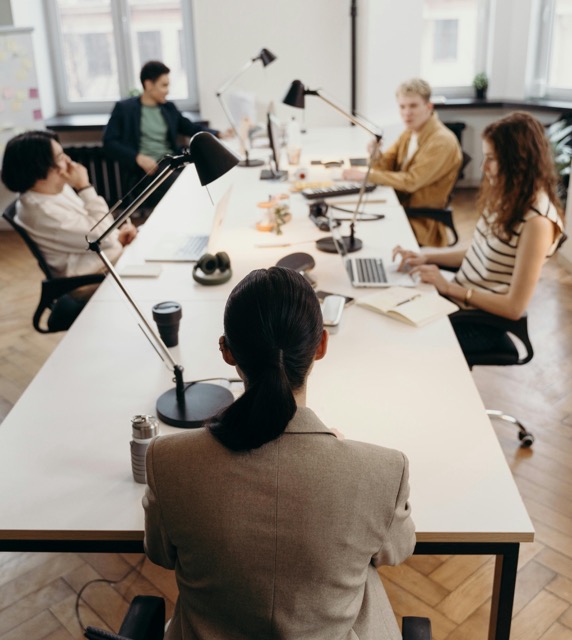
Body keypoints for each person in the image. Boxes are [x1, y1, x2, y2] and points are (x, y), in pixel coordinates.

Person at [143, 267, 416, 640]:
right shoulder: (382, 471)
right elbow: (396, 551)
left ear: (226, 351)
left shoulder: (167, 462)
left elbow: (160, 553)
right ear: (321, 345)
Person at [393, 111, 565, 357]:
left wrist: (448, 288)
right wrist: (425, 256)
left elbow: (514, 307)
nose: (484, 168)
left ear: (519, 161)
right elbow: (480, 254)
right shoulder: (509, 196)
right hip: (460, 304)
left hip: (480, 323)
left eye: (492, 159)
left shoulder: (537, 221)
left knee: (402, 343)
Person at [1, 130, 136, 286]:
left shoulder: (57, 188)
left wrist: (118, 236)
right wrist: (84, 187)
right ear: (39, 166)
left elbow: (93, 229)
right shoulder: (43, 211)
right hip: (91, 278)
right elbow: (101, 237)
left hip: (106, 259)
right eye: (60, 157)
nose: (68, 160)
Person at [343, 78, 462, 247]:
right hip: (400, 206)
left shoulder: (441, 141)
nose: (407, 113)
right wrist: (376, 155)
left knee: (360, 233)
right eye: (402, 106)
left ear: (429, 107)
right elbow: (387, 166)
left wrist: (365, 175)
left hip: (419, 221)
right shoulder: (410, 132)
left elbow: (411, 181)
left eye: (413, 106)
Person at [103, 60, 227, 211]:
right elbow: (109, 143)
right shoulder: (124, 109)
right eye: (164, 85)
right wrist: (137, 158)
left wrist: (218, 133)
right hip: (147, 171)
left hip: (172, 162)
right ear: (148, 85)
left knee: (206, 175)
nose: (167, 90)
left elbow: (190, 127)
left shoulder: (168, 108)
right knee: (188, 187)